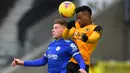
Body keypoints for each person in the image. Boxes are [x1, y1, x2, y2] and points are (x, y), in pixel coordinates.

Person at [11, 19, 87, 73]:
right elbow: (42, 61)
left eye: (56, 28)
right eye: (53, 28)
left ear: (64, 30)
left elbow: (80, 59)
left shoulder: (69, 44)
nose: (53, 30)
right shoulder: (51, 44)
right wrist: (22, 62)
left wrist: (82, 69)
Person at [62, 6, 102, 73]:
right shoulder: (76, 25)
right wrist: (67, 28)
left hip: (84, 63)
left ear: (87, 17)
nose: (78, 20)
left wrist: (87, 39)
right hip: (71, 61)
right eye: (77, 18)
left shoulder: (96, 28)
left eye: (80, 18)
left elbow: (94, 38)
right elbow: (65, 36)